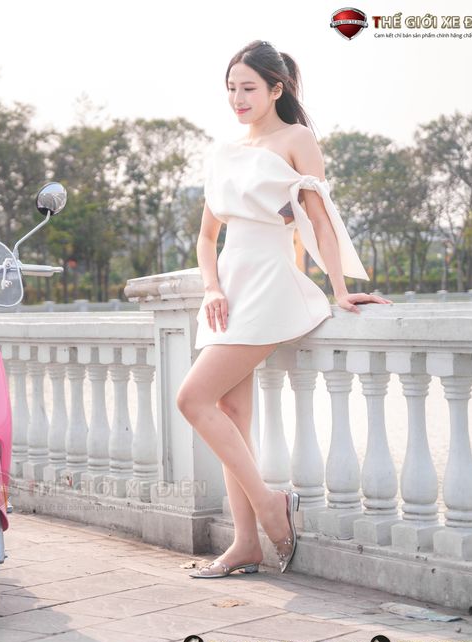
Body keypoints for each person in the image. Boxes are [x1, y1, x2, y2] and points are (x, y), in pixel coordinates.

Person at [177, 40, 392, 578]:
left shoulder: (297, 139)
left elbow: (320, 220)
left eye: (248, 88)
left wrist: (339, 288)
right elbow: (207, 237)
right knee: (230, 415)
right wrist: (211, 288)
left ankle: (271, 505)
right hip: (228, 292)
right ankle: (245, 544)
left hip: (270, 284)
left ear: (277, 89)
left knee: (191, 399)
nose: (238, 98)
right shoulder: (223, 152)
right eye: (231, 88)